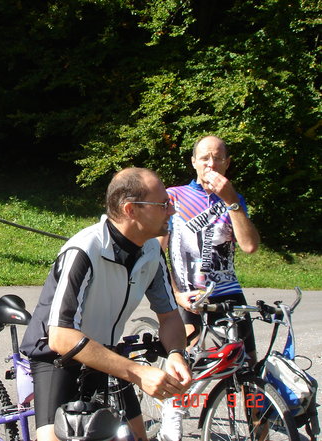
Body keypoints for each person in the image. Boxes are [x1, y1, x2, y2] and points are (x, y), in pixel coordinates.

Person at [20, 167, 192, 441]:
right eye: (163, 204)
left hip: (104, 353)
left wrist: (175, 354)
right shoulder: (84, 250)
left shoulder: (151, 251)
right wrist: (138, 373)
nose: (171, 211)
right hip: (55, 356)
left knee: (136, 437)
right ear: (131, 210)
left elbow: (170, 317)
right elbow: (61, 337)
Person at [157, 135, 260, 441]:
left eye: (217, 158)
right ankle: (172, 417)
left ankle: (259, 425)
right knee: (185, 366)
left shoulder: (233, 199)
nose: (211, 164)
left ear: (227, 163)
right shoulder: (173, 197)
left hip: (228, 295)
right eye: (204, 158)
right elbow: (157, 254)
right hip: (189, 297)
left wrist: (231, 200)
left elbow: (250, 246)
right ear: (193, 162)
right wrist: (175, 294)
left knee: (248, 368)